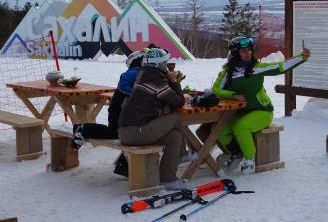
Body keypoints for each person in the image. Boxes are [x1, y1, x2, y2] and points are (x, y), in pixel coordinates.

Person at [212, 36, 310, 175]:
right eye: (244, 51)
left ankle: (249, 159)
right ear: (235, 53)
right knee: (219, 129)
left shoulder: (257, 68)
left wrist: (301, 57)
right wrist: (232, 95)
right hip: (241, 112)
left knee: (240, 127)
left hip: (262, 111)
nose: (249, 53)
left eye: (249, 50)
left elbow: (280, 67)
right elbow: (216, 89)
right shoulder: (228, 72)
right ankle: (236, 154)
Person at [118, 48, 196, 190]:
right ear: (159, 64)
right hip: (136, 132)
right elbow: (178, 102)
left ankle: (168, 178)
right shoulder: (156, 80)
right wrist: (175, 82)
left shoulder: (145, 75)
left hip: (130, 131)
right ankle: (183, 154)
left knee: (174, 137)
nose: (167, 65)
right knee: (176, 118)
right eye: (165, 62)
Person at [71, 49, 146, 175]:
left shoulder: (141, 72)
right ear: (139, 61)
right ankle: (83, 129)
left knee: (127, 135)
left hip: (125, 110)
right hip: (118, 109)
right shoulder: (133, 72)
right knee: (114, 133)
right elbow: (122, 85)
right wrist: (137, 93)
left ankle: (124, 166)